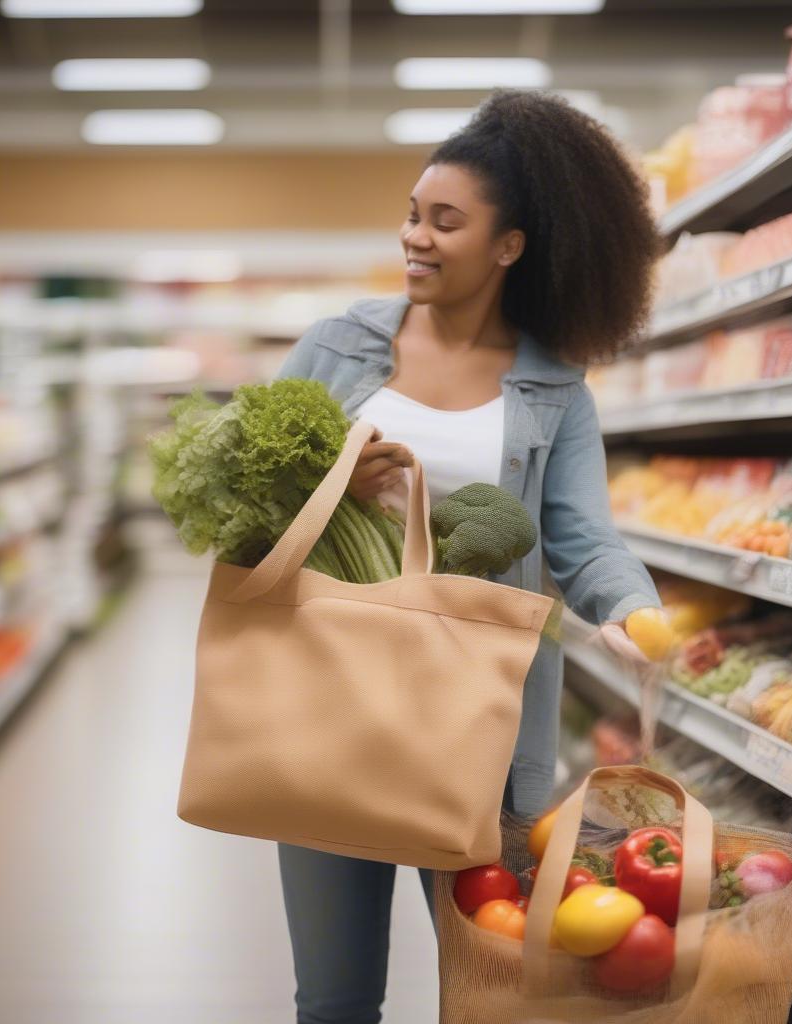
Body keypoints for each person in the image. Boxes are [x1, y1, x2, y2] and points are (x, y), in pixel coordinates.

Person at [272, 88, 663, 1024]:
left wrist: (627, 607)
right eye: (413, 213)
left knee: (492, 990)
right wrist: (325, 482)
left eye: (445, 221)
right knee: (332, 997)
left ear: (509, 245)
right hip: (334, 709)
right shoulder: (335, 348)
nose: (416, 235)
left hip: (480, 725)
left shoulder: (553, 389)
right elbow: (246, 496)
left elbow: (580, 534)